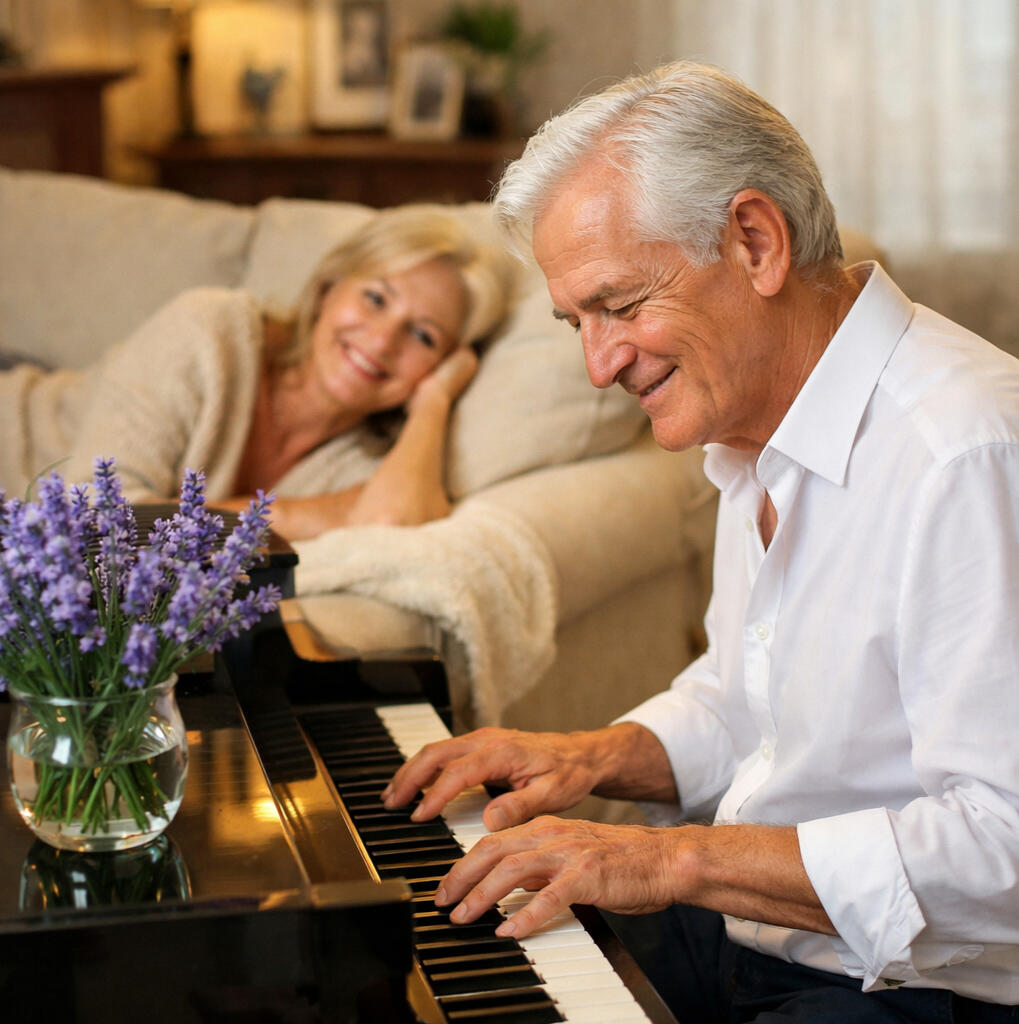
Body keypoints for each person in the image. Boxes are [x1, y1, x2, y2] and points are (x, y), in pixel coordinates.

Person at [380, 61, 1019, 1021]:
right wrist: (591, 758)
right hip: (757, 936)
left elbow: (1003, 845)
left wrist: (670, 856)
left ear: (754, 241)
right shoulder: (756, 424)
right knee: (420, 963)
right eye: (576, 322)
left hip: (921, 988)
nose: (599, 364)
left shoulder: (964, 453)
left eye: (621, 305)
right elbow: (745, 705)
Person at [0, 206, 514, 540]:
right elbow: (90, 525)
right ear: (328, 287)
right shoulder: (210, 330)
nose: (382, 341)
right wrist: (285, 517)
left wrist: (434, 402)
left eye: (423, 336)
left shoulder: (366, 459)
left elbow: (395, 520)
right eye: (375, 298)